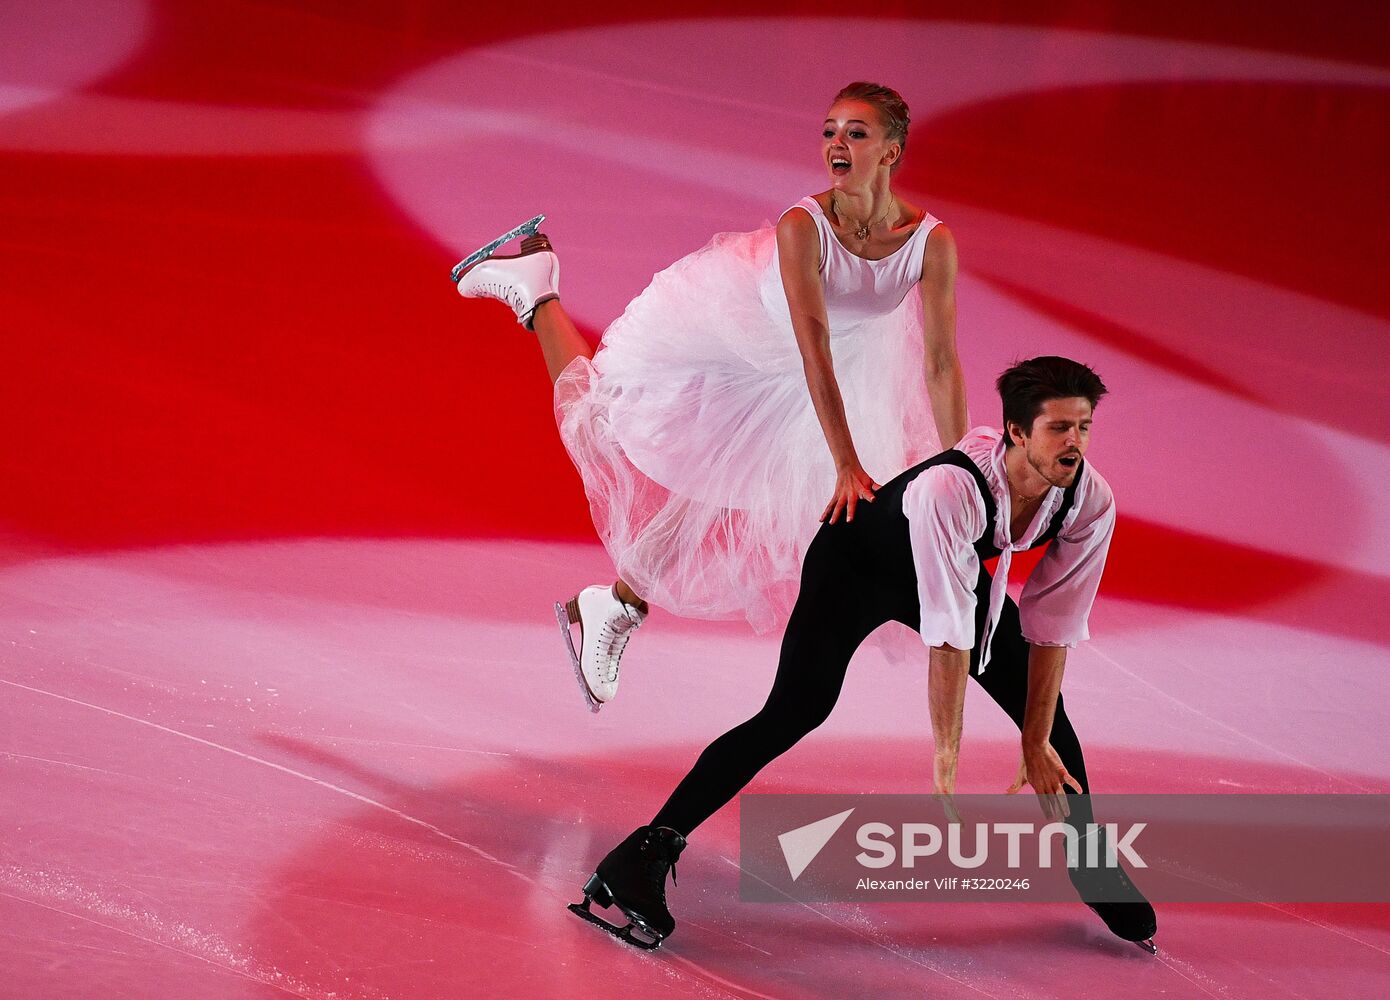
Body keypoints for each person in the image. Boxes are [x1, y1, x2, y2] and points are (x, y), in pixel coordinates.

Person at [567, 357, 1158, 955]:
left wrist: (1034, 742)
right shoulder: (949, 489)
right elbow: (949, 637)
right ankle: (644, 852)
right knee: (796, 711)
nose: (1075, 443)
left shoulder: (1089, 499)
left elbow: (1051, 628)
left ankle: (1089, 863)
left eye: (1083, 427)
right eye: (1059, 428)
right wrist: (947, 751)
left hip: (948, 566)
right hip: (854, 565)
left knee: (1054, 728)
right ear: (1016, 432)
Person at [454, 83, 966, 711]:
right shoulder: (802, 227)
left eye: (856, 133)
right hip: (743, 343)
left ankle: (615, 607)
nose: (837, 143)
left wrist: (961, 468)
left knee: (715, 490)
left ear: (890, 152)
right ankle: (538, 292)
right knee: (605, 413)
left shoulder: (931, 242)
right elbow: (813, 350)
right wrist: (844, 460)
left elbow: (941, 363)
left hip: (840, 373)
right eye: (830, 130)